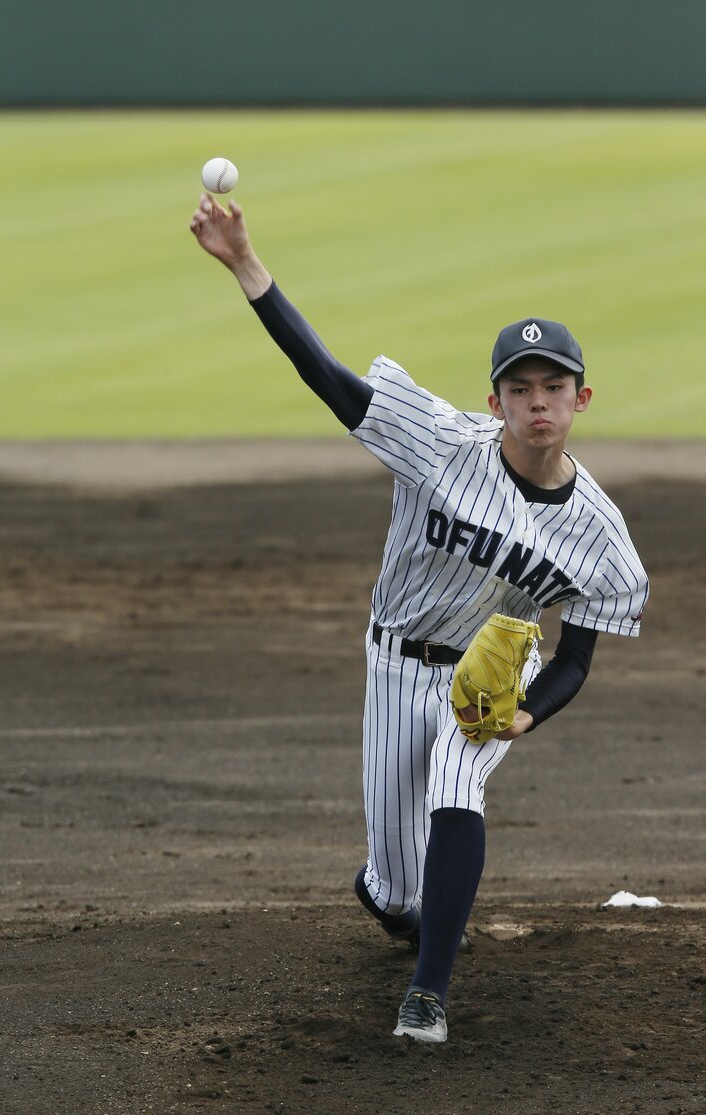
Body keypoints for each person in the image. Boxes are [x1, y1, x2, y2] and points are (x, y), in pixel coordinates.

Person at [190, 193, 649, 1044]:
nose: (536, 402)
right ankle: (394, 900)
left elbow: (577, 658)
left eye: (553, 387)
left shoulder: (601, 535)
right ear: (496, 398)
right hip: (394, 663)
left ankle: (427, 992)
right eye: (520, 388)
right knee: (398, 880)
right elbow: (327, 380)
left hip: (484, 683)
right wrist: (246, 265)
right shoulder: (438, 440)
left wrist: (524, 711)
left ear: (581, 398)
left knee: (454, 779)